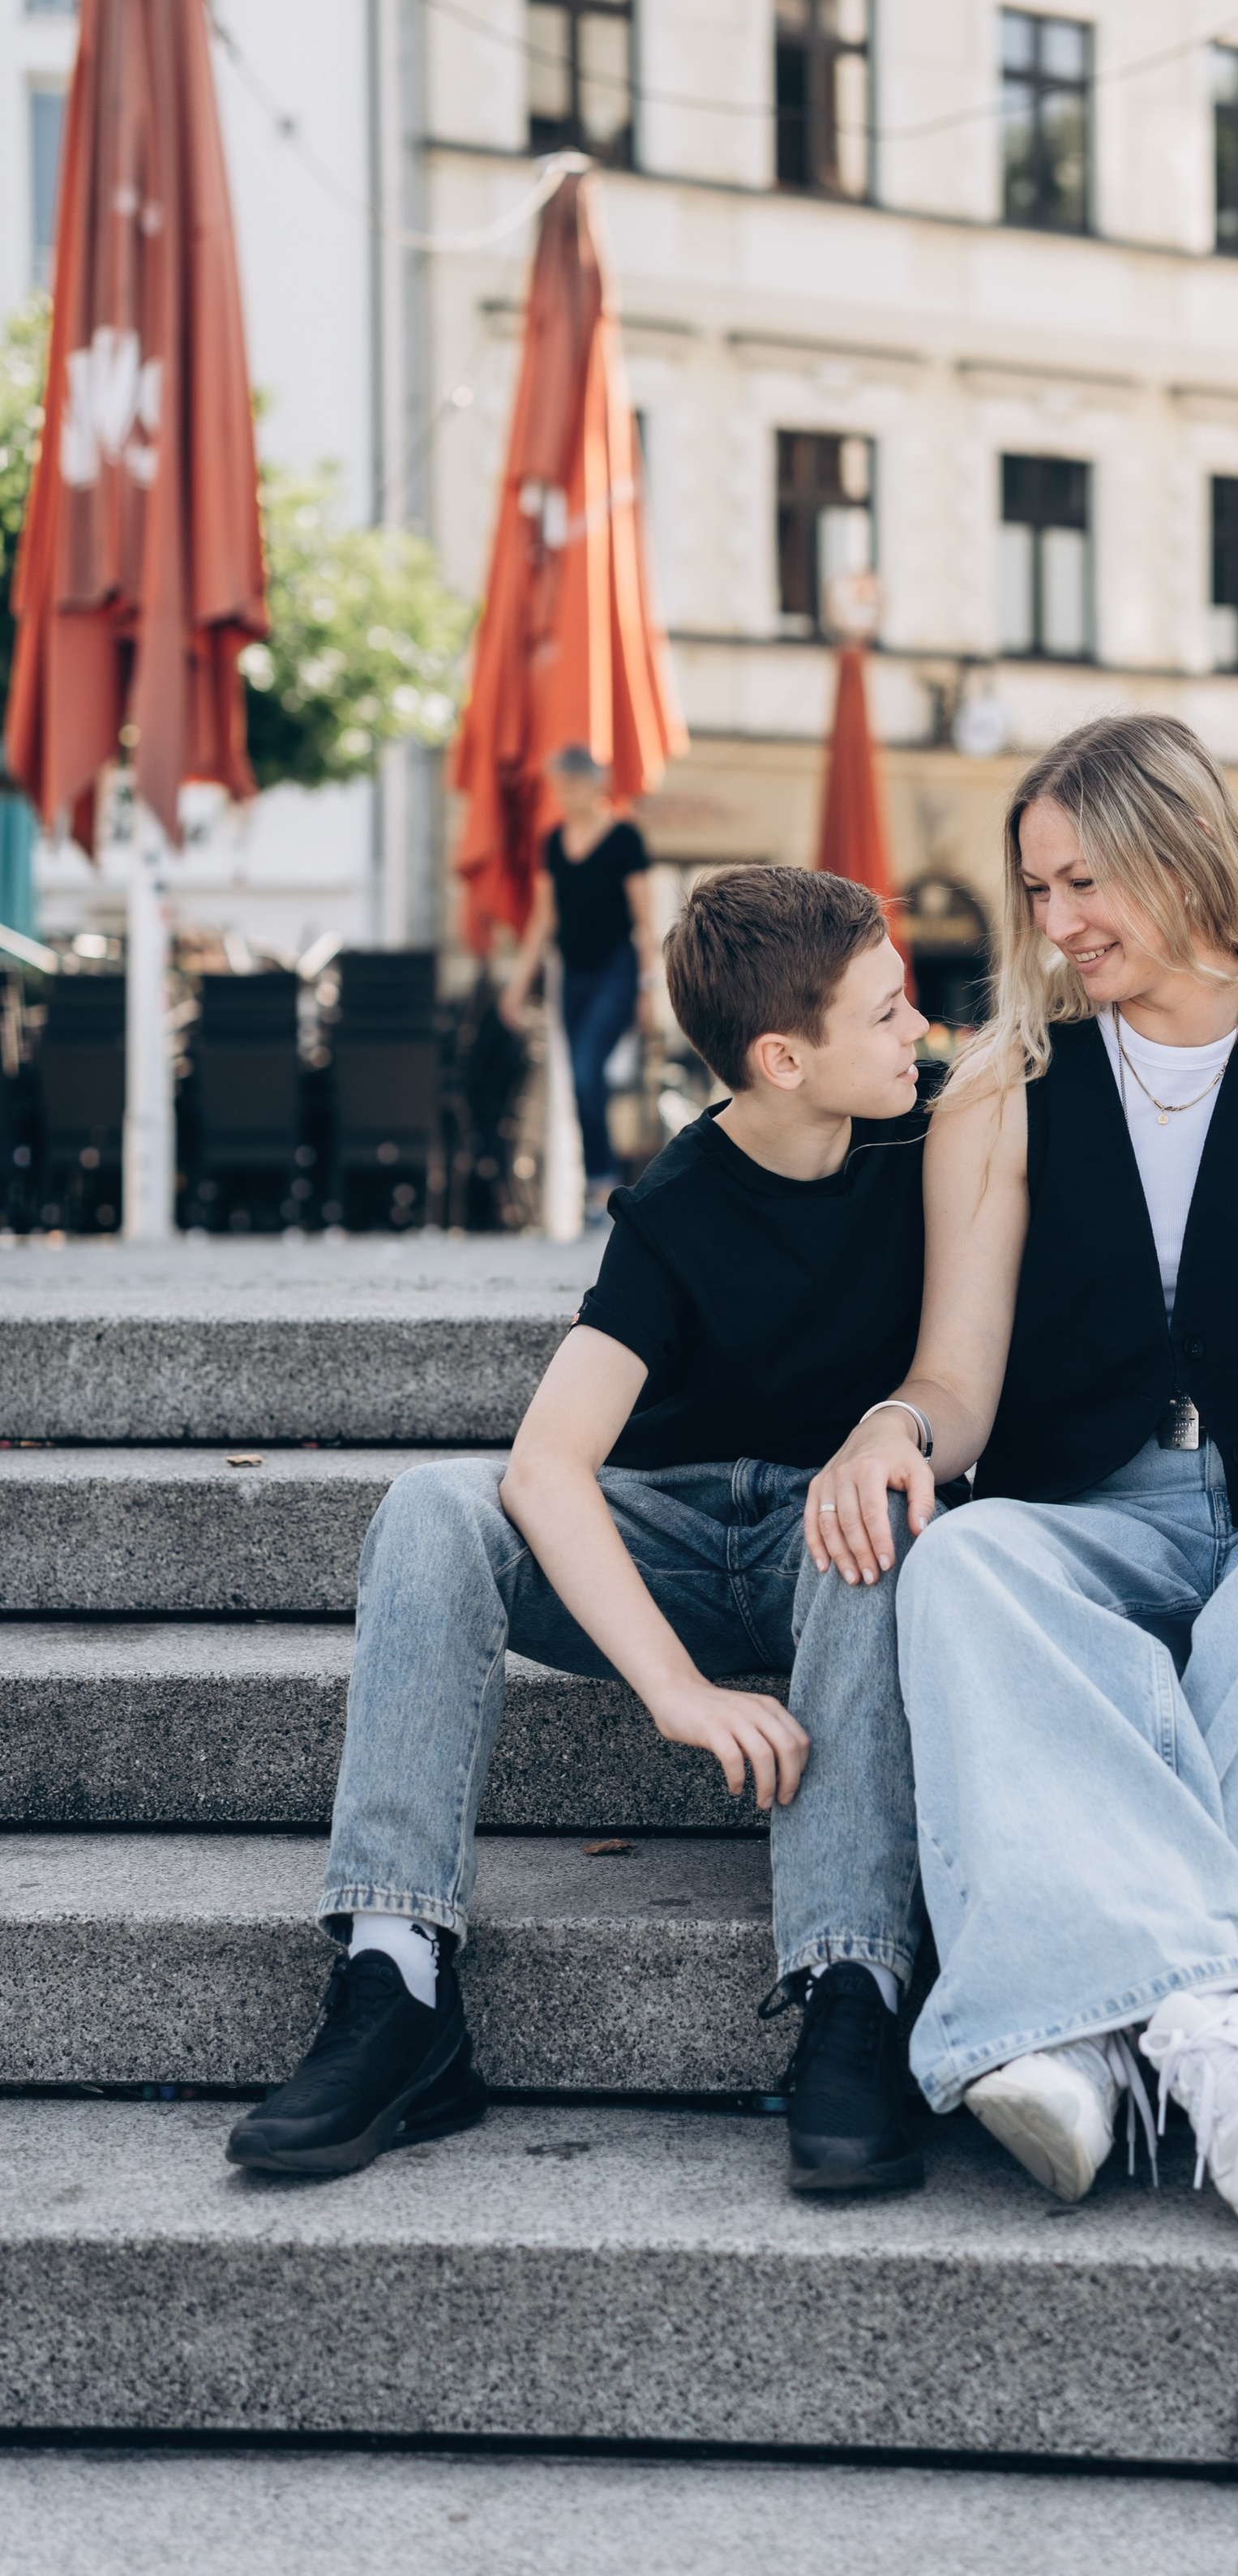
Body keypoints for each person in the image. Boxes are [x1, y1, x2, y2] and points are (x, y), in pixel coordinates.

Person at [807, 713, 1238, 2235]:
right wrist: (896, 1427)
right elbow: (959, 1376)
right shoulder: (1008, 1081)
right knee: (960, 1564)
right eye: (1037, 892)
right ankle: (1231, 2038)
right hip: (1091, 1502)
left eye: (1084, 880)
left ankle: (1097, 2027)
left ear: (1179, 850)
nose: (1058, 924)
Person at [228, 865, 942, 2191]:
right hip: (666, 1540)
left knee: (878, 1512)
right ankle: (397, 1981)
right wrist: (674, 1690)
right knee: (434, 1505)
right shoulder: (676, 1206)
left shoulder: (936, 1133)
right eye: (892, 1014)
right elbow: (548, 1469)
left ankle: (854, 1986)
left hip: (830, 1543)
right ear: (785, 1057)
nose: (922, 1035)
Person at [499, 746, 659, 1226]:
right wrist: (517, 984)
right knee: (579, 1083)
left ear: (596, 785)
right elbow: (544, 921)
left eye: (572, 784)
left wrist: (649, 987)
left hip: (617, 971)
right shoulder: (553, 842)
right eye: (559, 785)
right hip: (572, 977)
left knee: (589, 1071)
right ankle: (597, 1188)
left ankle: (602, 1184)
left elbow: (644, 919)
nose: (564, 794)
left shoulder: (625, 839)